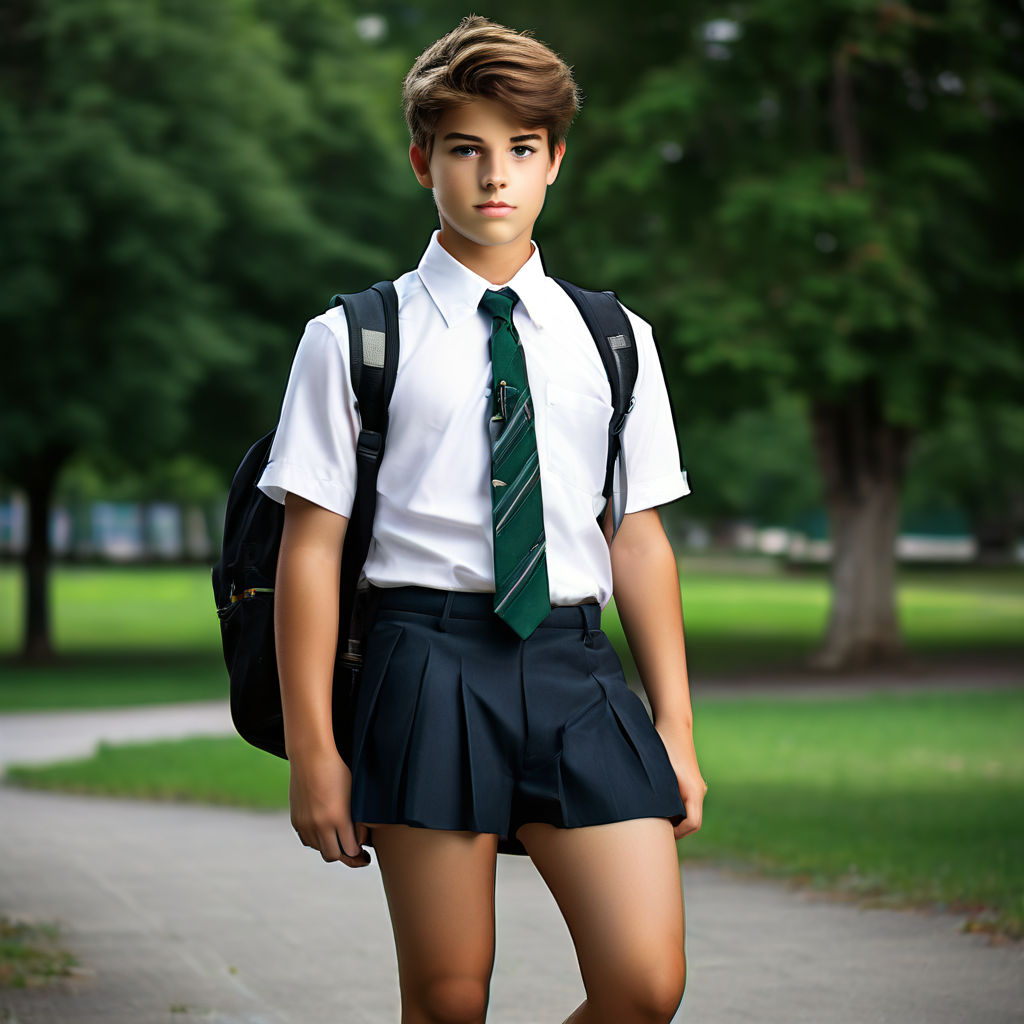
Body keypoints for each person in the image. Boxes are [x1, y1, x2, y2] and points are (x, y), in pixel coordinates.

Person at [256, 15, 707, 1024]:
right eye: (465, 149)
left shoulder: (614, 339)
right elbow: (312, 551)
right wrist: (314, 750)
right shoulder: (354, 337)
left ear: (554, 162)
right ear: (423, 161)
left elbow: (637, 539)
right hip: (426, 662)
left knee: (644, 984)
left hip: (576, 667)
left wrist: (675, 728)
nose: (492, 175)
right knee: (450, 997)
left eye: (519, 150)